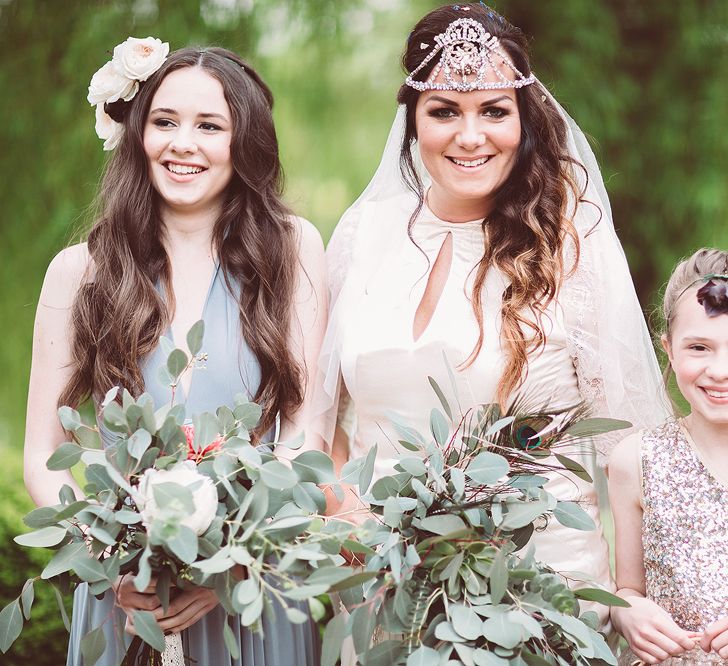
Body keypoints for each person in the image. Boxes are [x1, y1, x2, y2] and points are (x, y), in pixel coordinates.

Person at [318, 2, 669, 637]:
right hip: (383, 597)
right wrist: (342, 520)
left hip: (536, 595)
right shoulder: (362, 234)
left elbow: (631, 444)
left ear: (524, 118)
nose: (470, 134)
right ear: (413, 119)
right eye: (445, 110)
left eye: (494, 111)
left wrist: (629, 593)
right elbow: (323, 425)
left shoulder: (571, 244)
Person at [23, 38, 326, 665]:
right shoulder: (78, 271)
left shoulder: (293, 253)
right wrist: (110, 563)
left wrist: (230, 565)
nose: (182, 143)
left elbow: (305, 438)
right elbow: (42, 455)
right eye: (164, 122)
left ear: (244, 143)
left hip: (252, 593)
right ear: (137, 133)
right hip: (123, 604)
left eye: (209, 126)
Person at [609, 248, 728, 665]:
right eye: (699, 347)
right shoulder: (636, 460)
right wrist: (626, 611)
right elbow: (629, 587)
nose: (720, 369)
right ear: (669, 349)